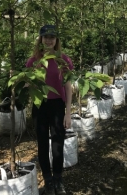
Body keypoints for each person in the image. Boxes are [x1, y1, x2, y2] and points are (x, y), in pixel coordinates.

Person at [26, 25, 73, 195]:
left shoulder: (63, 60)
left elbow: (68, 88)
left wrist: (68, 113)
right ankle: (48, 181)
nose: (49, 40)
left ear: (57, 40)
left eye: (52, 37)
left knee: (58, 145)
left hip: (57, 107)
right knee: (43, 144)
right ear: (40, 39)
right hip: (40, 106)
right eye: (45, 37)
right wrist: (19, 80)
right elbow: (28, 85)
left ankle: (58, 180)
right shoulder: (33, 61)